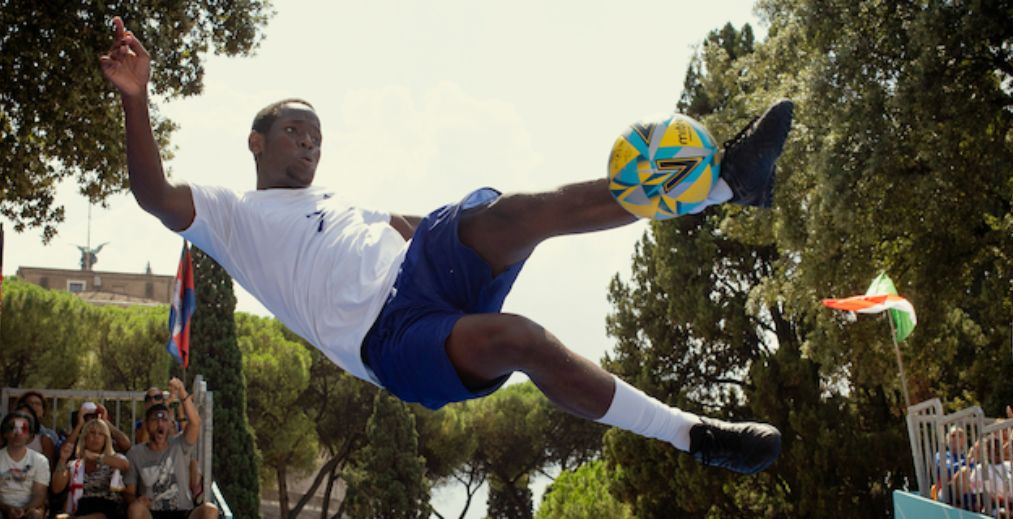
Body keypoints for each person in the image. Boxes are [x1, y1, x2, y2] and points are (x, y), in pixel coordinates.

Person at [101, 15, 793, 474]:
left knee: (517, 211)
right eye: (294, 132)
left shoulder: (339, 203)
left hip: (421, 266)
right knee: (519, 338)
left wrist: (458, 229)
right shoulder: (230, 214)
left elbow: (411, 225)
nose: (309, 144)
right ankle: (693, 434)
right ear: (256, 143)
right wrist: (136, 97)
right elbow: (154, 195)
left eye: (317, 136)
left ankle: (726, 184)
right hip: (389, 339)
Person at [123, 378, 216, 519]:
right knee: (135, 509)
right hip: (152, 513)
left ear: (170, 424)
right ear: (146, 425)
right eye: (155, 420)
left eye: (164, 419)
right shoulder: (135, 453)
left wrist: (182, 392)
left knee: (210, 510)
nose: (160, 423)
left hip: (183, 511)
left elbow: (195, 423)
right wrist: (137, 501)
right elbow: (129, 493)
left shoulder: (180, 444)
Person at [51, 419, 129, 519]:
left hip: (108, 510)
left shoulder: (114, 458)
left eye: (100, 434)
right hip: (81, 508)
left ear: (106, 439)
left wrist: (96, 457)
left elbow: (124, 465)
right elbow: (57, 488)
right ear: (85, 437)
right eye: (92, 432)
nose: (96, 436)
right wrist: (62, 459)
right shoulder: (75, 465)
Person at [0, 411, 49, 519]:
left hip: (28, 510)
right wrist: (8, 509)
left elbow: (39, 494)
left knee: (35, 515)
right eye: (12, 428)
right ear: (5, 433)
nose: (18, 433)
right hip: (2, 509)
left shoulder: (40, 460)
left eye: (23, 429)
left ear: (30, 435)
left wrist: (23, 510)